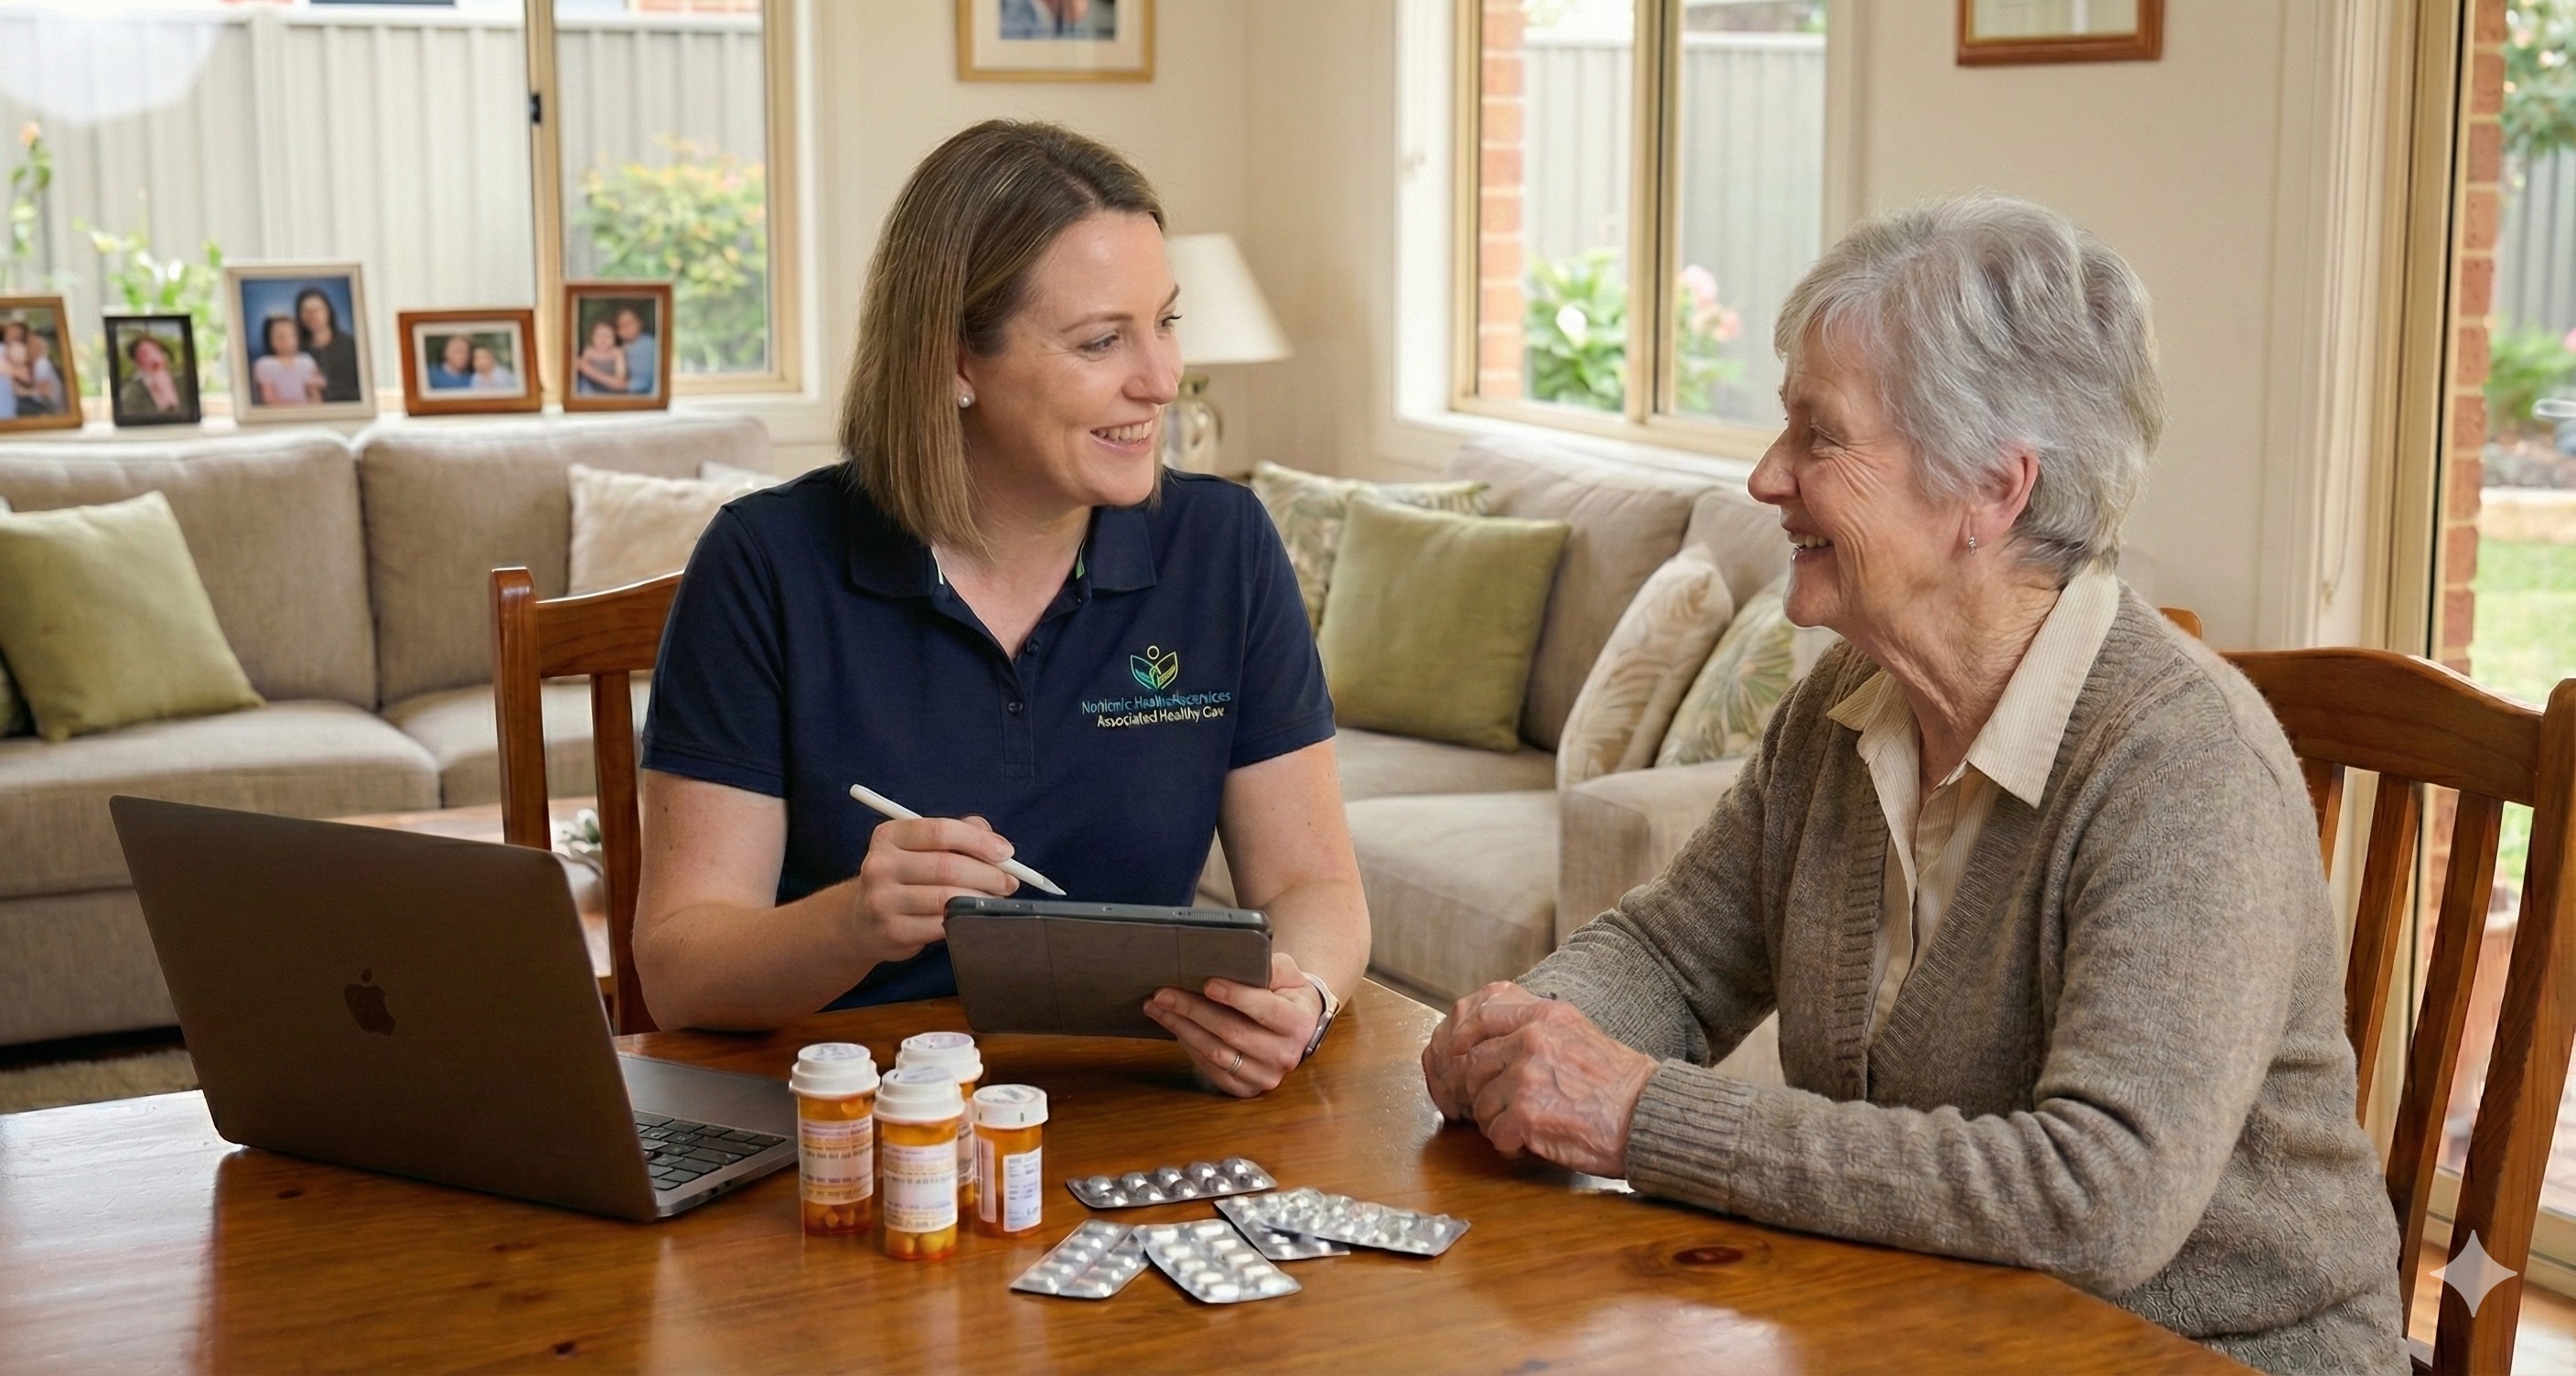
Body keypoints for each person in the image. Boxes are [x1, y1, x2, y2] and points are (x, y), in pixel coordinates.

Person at [1420, 194, 2405, 1374]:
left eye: (1818, 437)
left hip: (2207, 1350)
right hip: (1928, 1325)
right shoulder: (1847, 705)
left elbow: (2096, 1201)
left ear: (1992, 489)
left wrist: (1639, 1113)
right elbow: (1672, 956)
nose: (1764, 476)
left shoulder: (2183, 772)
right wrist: (1526, 1032)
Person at [634, 119, 1367, 1096]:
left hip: (1140, 1102)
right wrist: (853, 921)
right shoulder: (765, 563)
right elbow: (679, 969)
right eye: (1101, 341)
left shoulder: (1222, 545)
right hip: (856, 1113)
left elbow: (1312, 884)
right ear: (954, 363)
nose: (1160, 380)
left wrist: (1300, 995)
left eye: (1165, 321)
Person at [296, 288, 361, 403]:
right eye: (305, 311)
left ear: (328, 312)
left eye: (316, 310)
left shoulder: (351, 345)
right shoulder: (297, 350)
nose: (311, 315)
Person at [252, 315, 326, 406]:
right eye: (279, 336)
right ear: (269, 338)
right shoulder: (264, 364)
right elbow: (269, 400)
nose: (285, 340)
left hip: (307, 412)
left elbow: (316, 397)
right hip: (279, 413)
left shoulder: (306, 361)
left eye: (290, 335)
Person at [117, 334, 188, 421]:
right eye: (145, 353)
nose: (153, 355)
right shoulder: (130, 392)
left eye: (156, 350)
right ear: (136, 361)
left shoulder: (184, 381)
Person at [573, 319, 628, 395]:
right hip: (591, 388)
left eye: (608, 336)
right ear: (592, 337)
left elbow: (621, 380)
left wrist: (588, 370)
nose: (603, 339)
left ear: (615, 338)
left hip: (610, 389)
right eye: (599, 335)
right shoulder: (589, 351)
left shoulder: (617, 353)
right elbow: (582, 368)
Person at [613, 306, 658, 397]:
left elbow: (642, 384)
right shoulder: (623, 346)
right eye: (620, 325)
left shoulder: (648, 345)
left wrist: (588, 369)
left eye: (628, 323)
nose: (625, 328)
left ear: (640, 323)